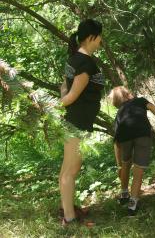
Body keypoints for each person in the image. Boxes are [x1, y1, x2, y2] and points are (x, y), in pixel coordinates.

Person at [59, 19, 104, 226]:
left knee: (72, 169)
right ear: (91, 37)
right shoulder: (85, 64)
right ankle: (69, 218)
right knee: (69, 170)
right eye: (100, 37)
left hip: (78, 122)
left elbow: (63, 86)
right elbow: (70, 96)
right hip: (75, 123)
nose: (101, 41)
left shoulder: (74, 59)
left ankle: (69, 208)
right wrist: (52, 108)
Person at [108, 86, 155, 215]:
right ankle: (132, 205)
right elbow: (154, 110)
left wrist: (119, 165)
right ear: (128, 94)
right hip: (143, 135)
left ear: (116, 102)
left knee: (126, 164)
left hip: (124, 137)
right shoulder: (140, 101)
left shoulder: (119, 113)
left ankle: (124, 195)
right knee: (138, 171)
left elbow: (116, 142)